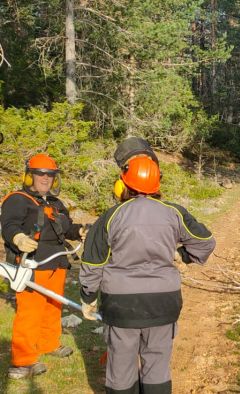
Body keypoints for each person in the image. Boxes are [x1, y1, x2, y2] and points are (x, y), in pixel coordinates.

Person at [79, 156, 216, 394]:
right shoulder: (174, 212)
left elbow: (93, 262)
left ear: (123, 183)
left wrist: (88, 296)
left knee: (121, 368)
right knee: (157, 366)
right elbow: (205, 242)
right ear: (157, 185)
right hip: (163, 303)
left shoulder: (111, 217)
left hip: (122, 306)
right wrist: (181, 255)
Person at [1, 153, 83, 379]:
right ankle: (23, 361)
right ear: (30, 177)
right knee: (29, 312)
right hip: (32, 265)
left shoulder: (56, 203)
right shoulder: (17, 199)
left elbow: (65, 227)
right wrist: (17, 237)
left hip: (57, 262)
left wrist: (79, 231)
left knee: (53, 306)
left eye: (50, 176)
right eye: (40, 175)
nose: (45, 180)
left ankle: (49, 343)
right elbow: (8, 225)